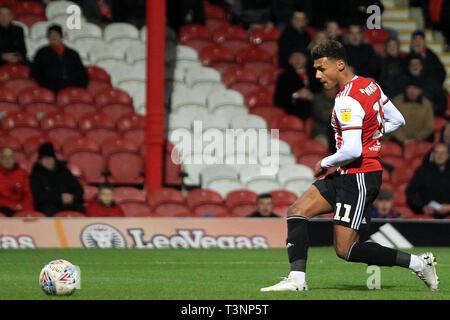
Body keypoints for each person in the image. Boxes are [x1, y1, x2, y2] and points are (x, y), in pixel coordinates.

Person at [261, 40, 439, 292]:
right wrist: (373, 137)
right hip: (348, 174)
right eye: (316, 69)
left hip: (359, 178)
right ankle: (297, 280)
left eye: (322, 69)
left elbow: (352, 150)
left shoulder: (346, 101)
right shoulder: (370, 85)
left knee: (346, 250)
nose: (317, 75)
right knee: (297, 212)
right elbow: (397, 120)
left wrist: (324, 162)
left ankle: (419, 264)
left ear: (340, 64)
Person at [30, 142, 85, 216]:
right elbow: (38, 196)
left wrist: (72, 197)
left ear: (54, 159)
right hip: (49, 205)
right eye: (45, 159)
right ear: (40, 161)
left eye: (50, 158)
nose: (48, 161)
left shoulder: (63, 170)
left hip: (68, 204)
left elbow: (79, 189)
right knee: (49, 210)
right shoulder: (36, 174)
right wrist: (59, 198)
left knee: (80, 209)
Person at [30, 24, 88, 93]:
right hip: (50, 90)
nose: (53, 37)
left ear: (61, 36)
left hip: (72, 88)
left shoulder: (72, 54)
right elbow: (35, 73)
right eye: (51, 35)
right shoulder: (41, 53)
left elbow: (82, 74)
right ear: (48, 37)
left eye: (56, 34)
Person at [406, 142, 450, 219]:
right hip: (427, 215)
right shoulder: (422, 171)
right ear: (433, 154)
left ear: (448, 155)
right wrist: (423, 207)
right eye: (437, 152)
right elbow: (410, 192)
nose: (440, 155)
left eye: (443, 153)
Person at [386, 78, 434, 146]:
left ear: (420, 91)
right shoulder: (396, 101)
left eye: (415, 88)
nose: (411, 91)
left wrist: (416, 139)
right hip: (396, 140)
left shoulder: (427, 104)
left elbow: (429, 126)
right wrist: (403, 139)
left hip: (419, 141)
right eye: (409, 88)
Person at [274, 49, 318, 120]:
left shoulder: (316, 75)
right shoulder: (284, 77)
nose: (297, 60)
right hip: (292, 115)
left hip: (316, 114)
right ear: (289, 60)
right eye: (294, 57)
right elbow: (278, 100)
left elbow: (327, 96)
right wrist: (296, 95)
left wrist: (313, 97)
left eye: (300, 57)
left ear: (306, 59)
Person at [0, 147, 34, 216]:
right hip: (3, 208)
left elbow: (27, 195)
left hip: (21, 208)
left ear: (15, 159)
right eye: (4, 157)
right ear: (0, 159)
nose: (8, 160)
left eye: (11, 157)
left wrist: (28, 211)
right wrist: (13, 205)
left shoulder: (22, 173)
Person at [311, 86, 338, 150]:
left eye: (333, 90)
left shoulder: (342, 98)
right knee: (324, 143)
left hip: (338, 132)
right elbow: (324, 117)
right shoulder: (318, 99)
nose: (330, 92)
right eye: (328, 90)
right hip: (322, 132)